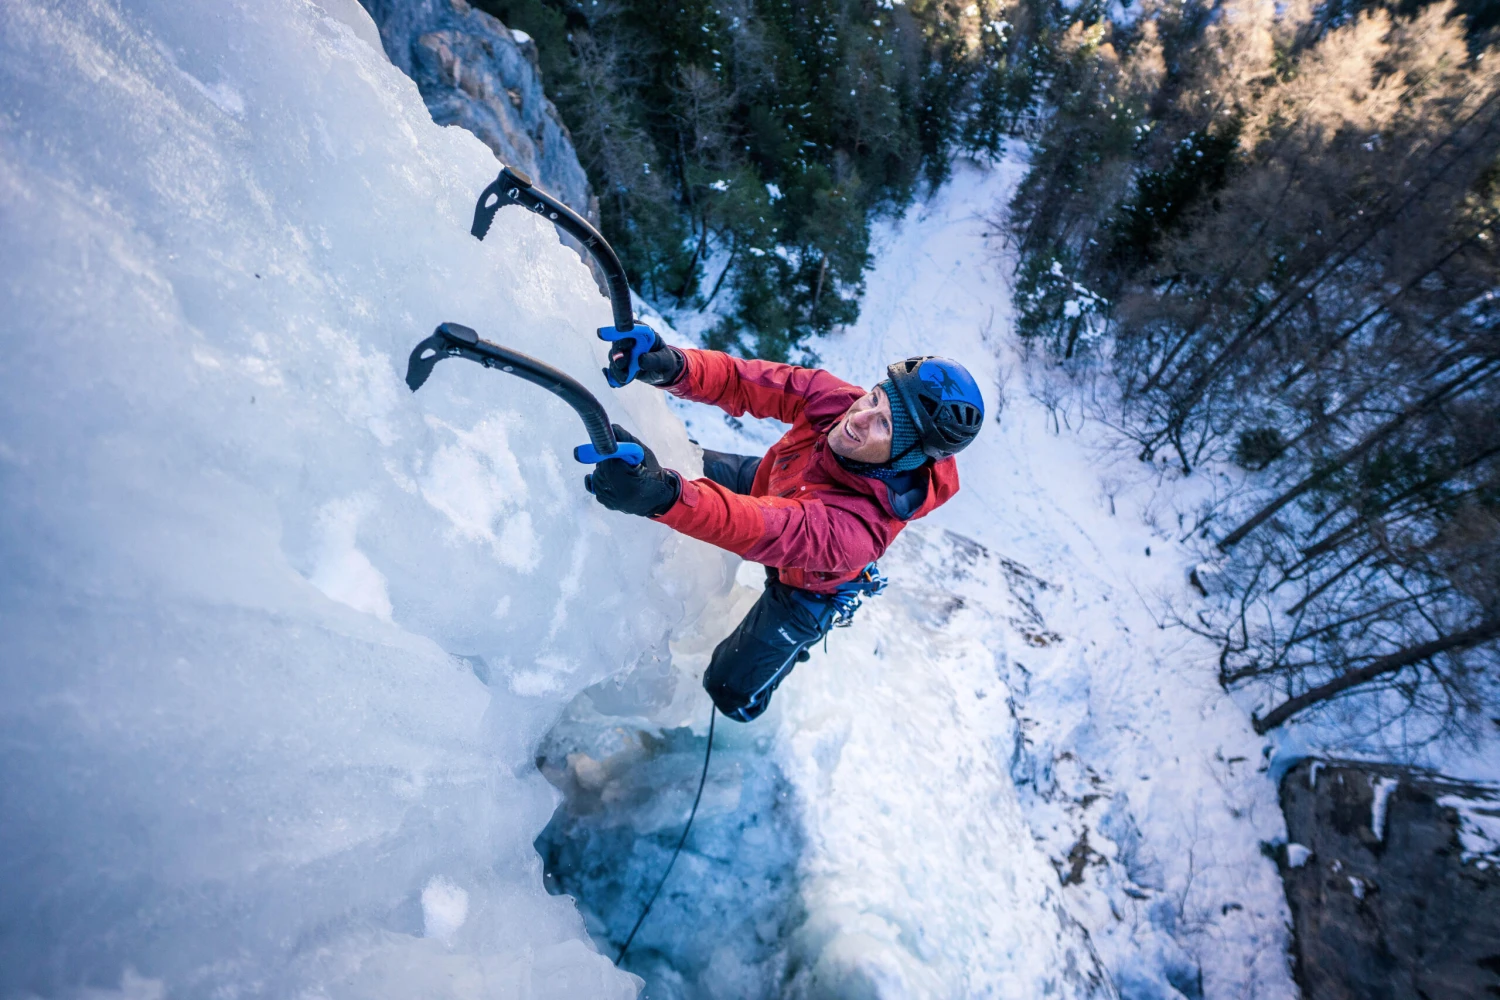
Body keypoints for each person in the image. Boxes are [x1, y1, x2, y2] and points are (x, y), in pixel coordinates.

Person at [584, 335, 984, 722]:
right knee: (677, 462)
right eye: (875, 397)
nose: (857, 418)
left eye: (884, 426)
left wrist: (663, 497)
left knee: (728, 690)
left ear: (908, 458)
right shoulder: (838, 400)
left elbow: (761, 527)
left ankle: (784, 656)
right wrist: (674, 366)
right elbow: (743, 382)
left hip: (807, 587)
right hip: (770, 483)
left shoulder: (858, 531)